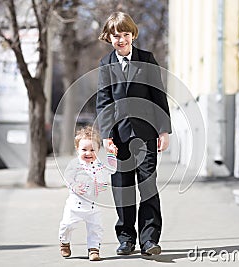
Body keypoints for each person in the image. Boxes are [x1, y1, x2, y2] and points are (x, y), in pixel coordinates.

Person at [96, 12, 172, 256]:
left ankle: (149, 241)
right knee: (122, 188)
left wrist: (164, 130)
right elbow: (104, 101)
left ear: (132, 35)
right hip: (118, 137)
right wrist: (107, 136)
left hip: (146, 134)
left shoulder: (147, 60)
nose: (122, 40)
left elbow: (158, 95)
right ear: (109, 38)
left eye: (126, 35)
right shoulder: (105, 64)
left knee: (148, 186)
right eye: (116, 36)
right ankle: (126, 238)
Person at [58, 126, 118, 261]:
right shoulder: (74, 164)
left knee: (96, 228)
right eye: (84, 150)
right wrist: (73, 185)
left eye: (92, 150)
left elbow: (112, 169)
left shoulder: (99, 165)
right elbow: (67, 177)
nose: (88, 153)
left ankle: (93, 249)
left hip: (93, 206)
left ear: (98, 150)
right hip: (74, 206)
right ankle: (64, 242)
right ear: (77, 149)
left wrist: (112, 155)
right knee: (67, 225)